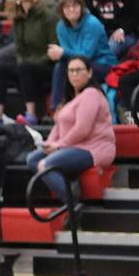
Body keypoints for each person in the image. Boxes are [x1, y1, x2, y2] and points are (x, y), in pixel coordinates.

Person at [27, 56, 115, 202]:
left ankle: (73, 205)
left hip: (93, 148)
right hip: (72, 147)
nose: (74, 74)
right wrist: (49, 143)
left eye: (78, 70)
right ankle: (69, 183)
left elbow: (82, 129)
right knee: (32, 159)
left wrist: (58, 146)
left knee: (45, 164)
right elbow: (58, 126)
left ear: (90, 72)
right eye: (71, 71)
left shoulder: (91, 94)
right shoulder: (70, 99)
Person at [0, 0, 58, 126]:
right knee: (1, 68)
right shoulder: (18, 19)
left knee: (24, 67)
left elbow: (53, 48)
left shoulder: (48, 16)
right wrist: (23, 63)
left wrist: (28, 63)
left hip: (47, 65)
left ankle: (30, 114)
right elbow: (19, 50)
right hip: (26, 67)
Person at [49, 0, 114, 109]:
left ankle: (62, 107)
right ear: (62, 10)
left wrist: (63, 53)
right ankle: (57, 108)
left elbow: (86, 55)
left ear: (81, 7)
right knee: (60, 66)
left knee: (70, 68)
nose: (71, 10)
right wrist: (59, 53)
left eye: (75, 6)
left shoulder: (92, 23)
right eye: (67, 7)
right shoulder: (61, 26)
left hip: (102, 64)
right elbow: (70, 56)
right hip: (79, 63)